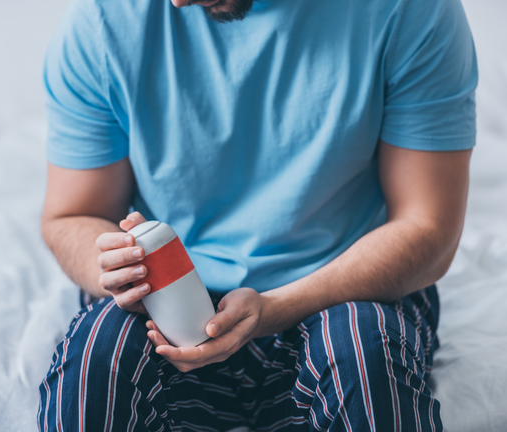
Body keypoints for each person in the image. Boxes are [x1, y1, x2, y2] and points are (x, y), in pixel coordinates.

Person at [37, 0, 477, 430]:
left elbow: (427, 225)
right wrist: (116, 269)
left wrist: (276, 308)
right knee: (96, 372)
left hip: (341, 288)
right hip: (167, 302)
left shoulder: (409, 10)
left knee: (366, 364)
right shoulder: (101, 22)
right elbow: (75, 214)